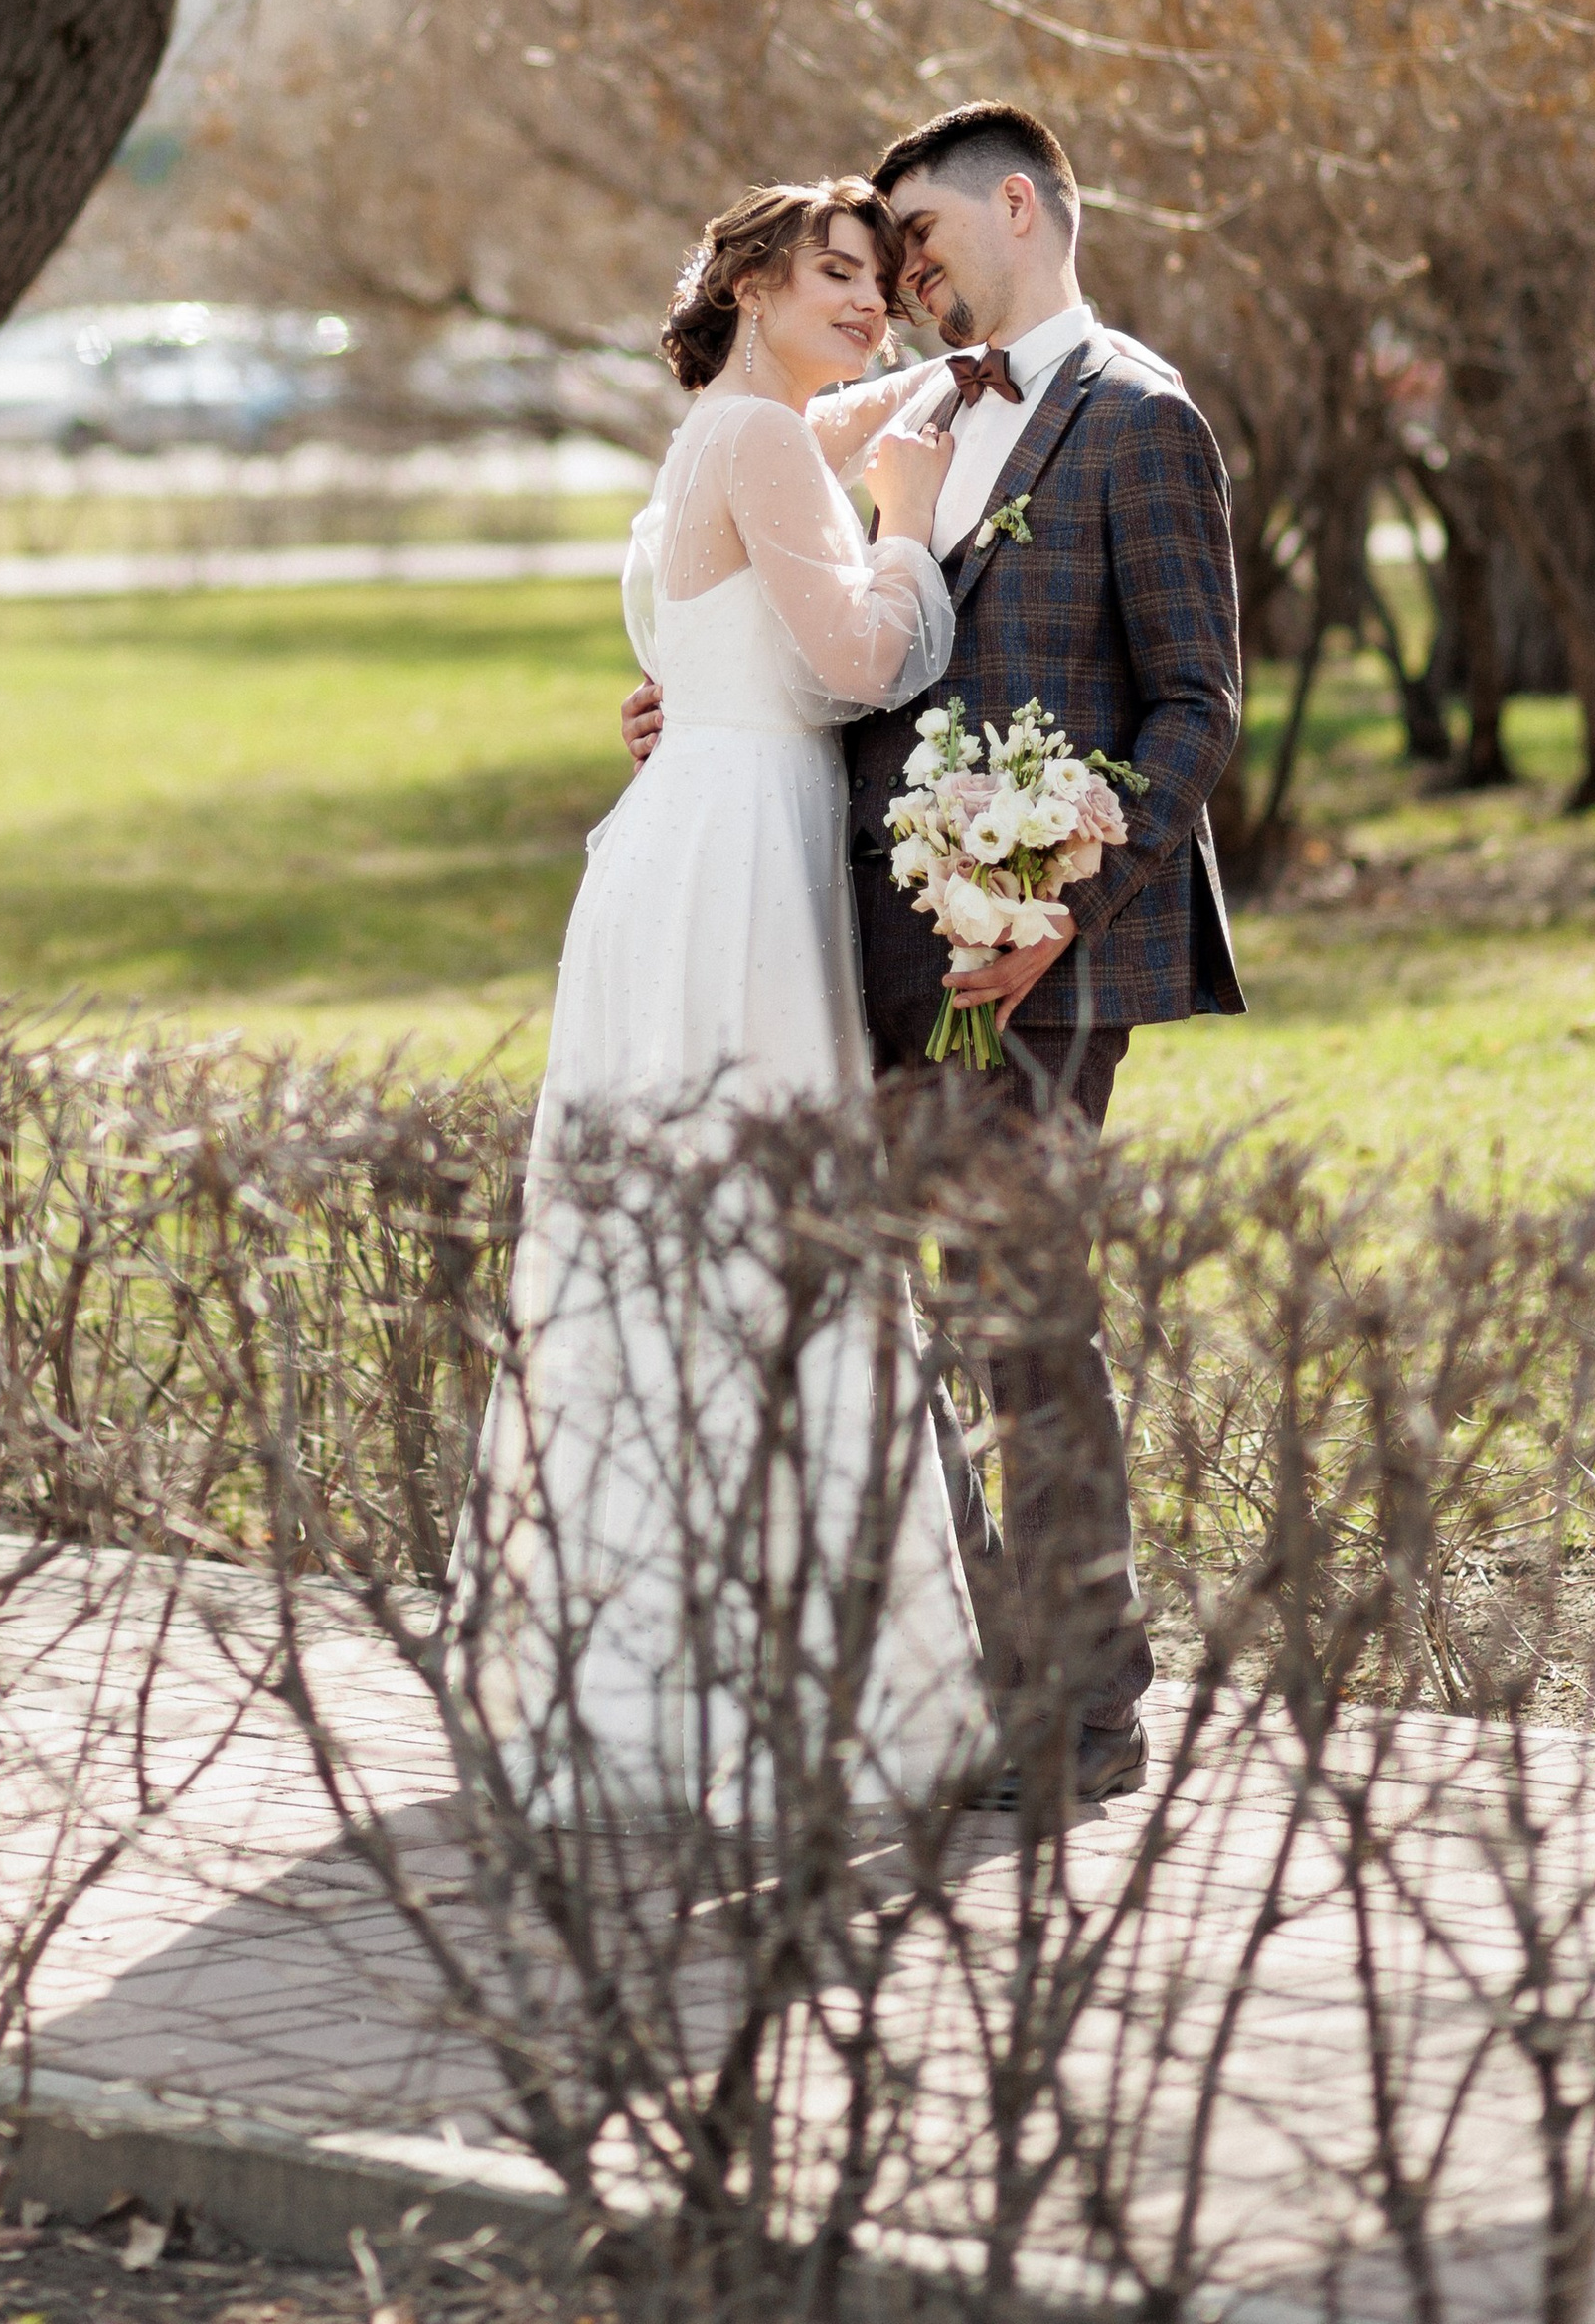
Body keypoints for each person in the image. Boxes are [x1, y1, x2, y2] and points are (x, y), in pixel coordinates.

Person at [623, 102, 1245, 1811]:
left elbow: (1199, 706)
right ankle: (970, 1685)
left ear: (1018, 206)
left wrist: (1062, 903)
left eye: (921, 238)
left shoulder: (1139, 416)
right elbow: (849, 651)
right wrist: (704, 704)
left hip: (1052, 960)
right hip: (861, 939)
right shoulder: (910, 421)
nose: (906, 274)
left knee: (1024, 1320)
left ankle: (1085, 1710)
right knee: (888, 1327)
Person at [466, 177, 993, 1820]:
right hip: (736, 858)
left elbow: (863, 416)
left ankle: (653, 1666)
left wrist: (965, 376)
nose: (869, 307)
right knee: (769, 1246)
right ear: (754, 282)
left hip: (688, 845)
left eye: (883, 286)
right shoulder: (759, 440)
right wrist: (912, 518)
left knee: (682, 1250)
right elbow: (849, 661)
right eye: (835, 276)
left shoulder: (737, 427)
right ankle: (760, 1689)